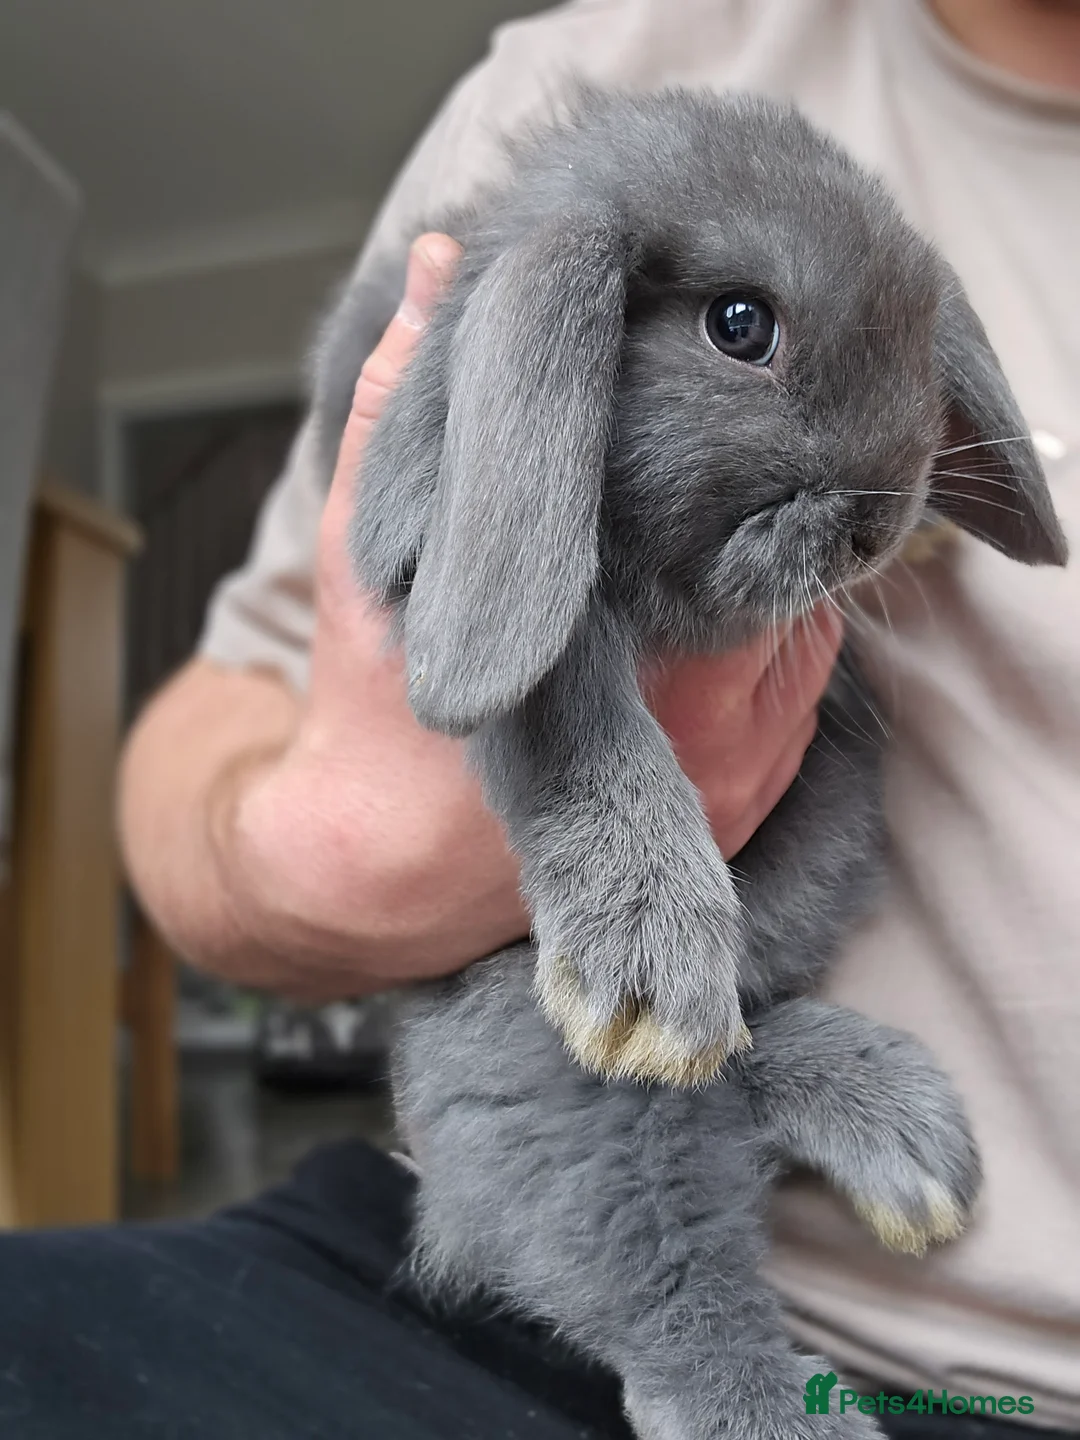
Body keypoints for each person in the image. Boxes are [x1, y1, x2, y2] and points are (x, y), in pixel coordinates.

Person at [7, 1, 1077, 1435]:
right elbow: (308, 664)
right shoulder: (584, 92)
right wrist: (382, 841)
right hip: (461, 1232)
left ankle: (754, 1113)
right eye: (743, 332)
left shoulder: (851, 248)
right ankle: (699, 1354)